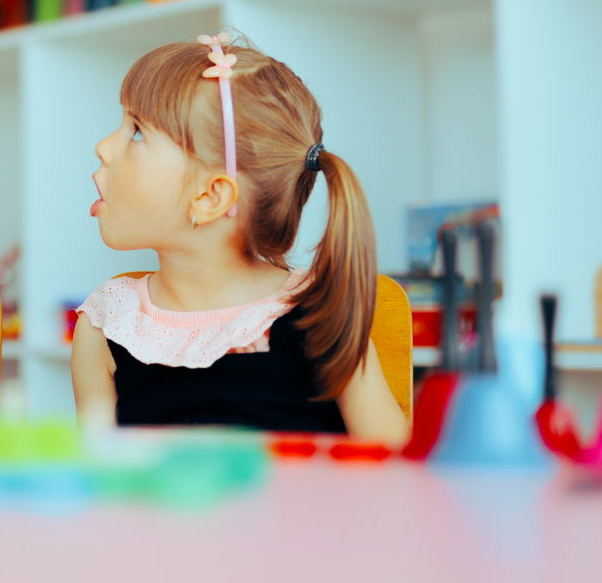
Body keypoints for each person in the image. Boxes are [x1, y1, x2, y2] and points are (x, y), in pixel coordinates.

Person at [72, 33, 409, 443]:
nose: (103, 147)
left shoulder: (317, 312)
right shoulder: (107, 322)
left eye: (137, 131)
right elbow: (96, 477)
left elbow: (395, 467)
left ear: (211, 196)